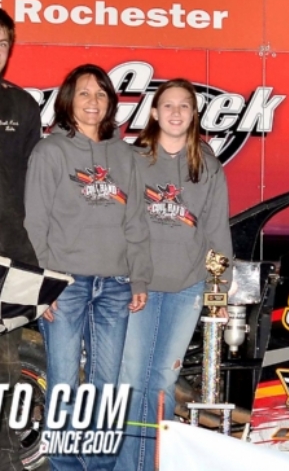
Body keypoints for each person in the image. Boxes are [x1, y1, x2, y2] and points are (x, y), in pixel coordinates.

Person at [24, 64, 152, 471]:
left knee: (106, 387)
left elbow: (136, 220)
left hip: (116, 283)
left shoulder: (123, 154)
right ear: (68, 101)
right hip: (65, 285)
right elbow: (35, 222)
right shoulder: (50, 151)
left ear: (111, 102)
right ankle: (64, 466)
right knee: (63, 384)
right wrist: (42, 287)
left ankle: (99, 467)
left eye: (100, 94)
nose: (93, 102)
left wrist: (138, 277)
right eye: (84, 94)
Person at [115, 78, 233, 471]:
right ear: (153, 112)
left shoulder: (209, 166)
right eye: (168, 105)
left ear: (194, 114)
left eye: (185, 105)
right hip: (139, 287)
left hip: (187, 288)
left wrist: (219, 298)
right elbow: (118, 225)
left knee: (163, 384)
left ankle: (153, 465)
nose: (176, 112)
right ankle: (127, 465)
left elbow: (218, 237)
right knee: (132, 381)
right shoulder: (132, 160)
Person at [0, 9, 41, 471]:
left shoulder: (21, 106)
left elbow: (34, 193)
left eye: (4, 42)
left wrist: (34, 264)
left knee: (7, 377)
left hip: (8, 264)